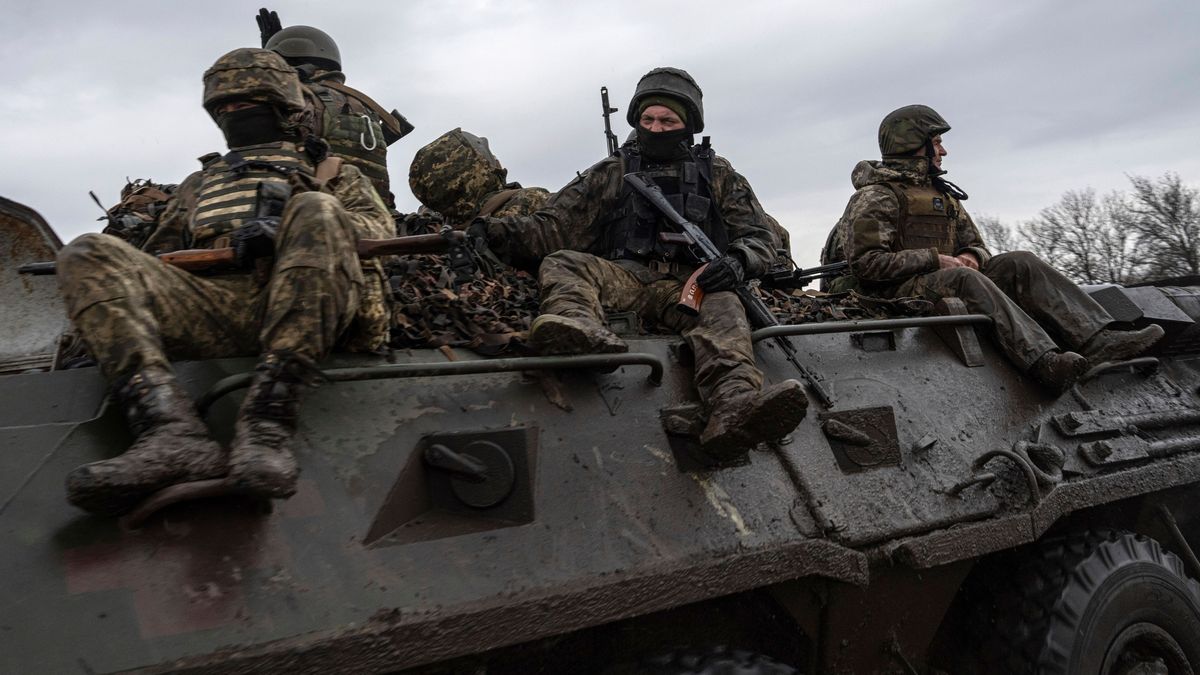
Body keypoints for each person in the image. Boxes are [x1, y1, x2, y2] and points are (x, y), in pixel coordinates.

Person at [55, 48, 394, 516]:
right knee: (87, 251)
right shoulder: (201, 184)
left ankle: (266, 426)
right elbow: (154, 260)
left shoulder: (333, 174)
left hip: (309, 307)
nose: (235, 115)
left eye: (247, 104)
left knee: (317, 211)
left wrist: (287, 230)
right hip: (216, 310)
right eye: (225, 108)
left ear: (280, 107)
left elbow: (380, 232)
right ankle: (170, 433)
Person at [472, 67, 808, 461]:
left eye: (668, 120)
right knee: (565, 262)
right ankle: (578, 329)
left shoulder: (718, 175)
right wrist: (492, 231)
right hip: (626, 277)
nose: (656, 127)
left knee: (727, 304)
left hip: (692, 286)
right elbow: (554, 229)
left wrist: (738, 261)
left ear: (689, 125)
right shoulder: (613, 171)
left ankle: (733, 408)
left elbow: (759, 235)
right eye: (647, 119)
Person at [829, 104, 1163, 391]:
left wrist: (971, 256)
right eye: (937, 143)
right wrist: (936, 260)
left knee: (1020, 262)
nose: (942, 151)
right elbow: (867, 266)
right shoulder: (876, 197)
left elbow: (976, 244)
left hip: (941, 280)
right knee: (964, 280)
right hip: (894, 294)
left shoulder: (941, 195)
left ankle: (1099, 342)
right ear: (915, 145)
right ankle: (1044, 362)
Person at [259, 11, 412, 208]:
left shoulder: (302, 100)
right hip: (371, 217)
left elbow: (266, 155)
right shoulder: (362, 105)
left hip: (319, 216)